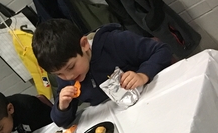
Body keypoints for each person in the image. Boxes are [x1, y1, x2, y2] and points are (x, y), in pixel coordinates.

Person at [31, 19, 173, 127]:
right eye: (59, 74)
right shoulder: (66, 76)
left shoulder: (114, 41)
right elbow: (62, 122)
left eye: (71, 67)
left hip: (152, 103)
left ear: (84, 45)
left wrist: (143, 74)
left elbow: (162, 50)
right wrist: (62, 106)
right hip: (121, 122)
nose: (68, 77)